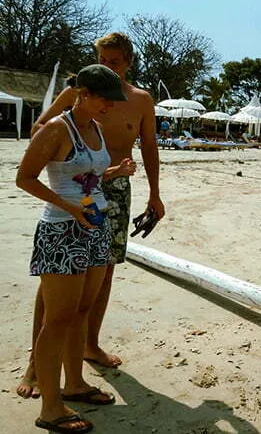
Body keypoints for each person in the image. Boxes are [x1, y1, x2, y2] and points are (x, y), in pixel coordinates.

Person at [17, 32, 165, 399]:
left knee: (103, 271)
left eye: (113, 61)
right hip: (72, 189)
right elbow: (41, 132)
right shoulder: (81, 91)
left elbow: (149, 145)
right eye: (101, 58)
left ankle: (89, 345)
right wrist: (68, 151)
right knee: (58, 281)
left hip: (112, 188)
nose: (106, 66)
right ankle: (37, 361)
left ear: (128, 62)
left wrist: (155, 194)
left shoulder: (141, 100)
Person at [17, 64, 130, 433]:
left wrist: (115, 173)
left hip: (94, 227)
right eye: (104, 100)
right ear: (83, 94)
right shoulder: (56, 128)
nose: (110, 107)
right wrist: (69, 208)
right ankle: (51, 407)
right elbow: (24, 178)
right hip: (62, 231)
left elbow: (86, 177)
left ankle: (75, 383)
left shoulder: (93, 127)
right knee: (58, 318)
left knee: (82, 310)